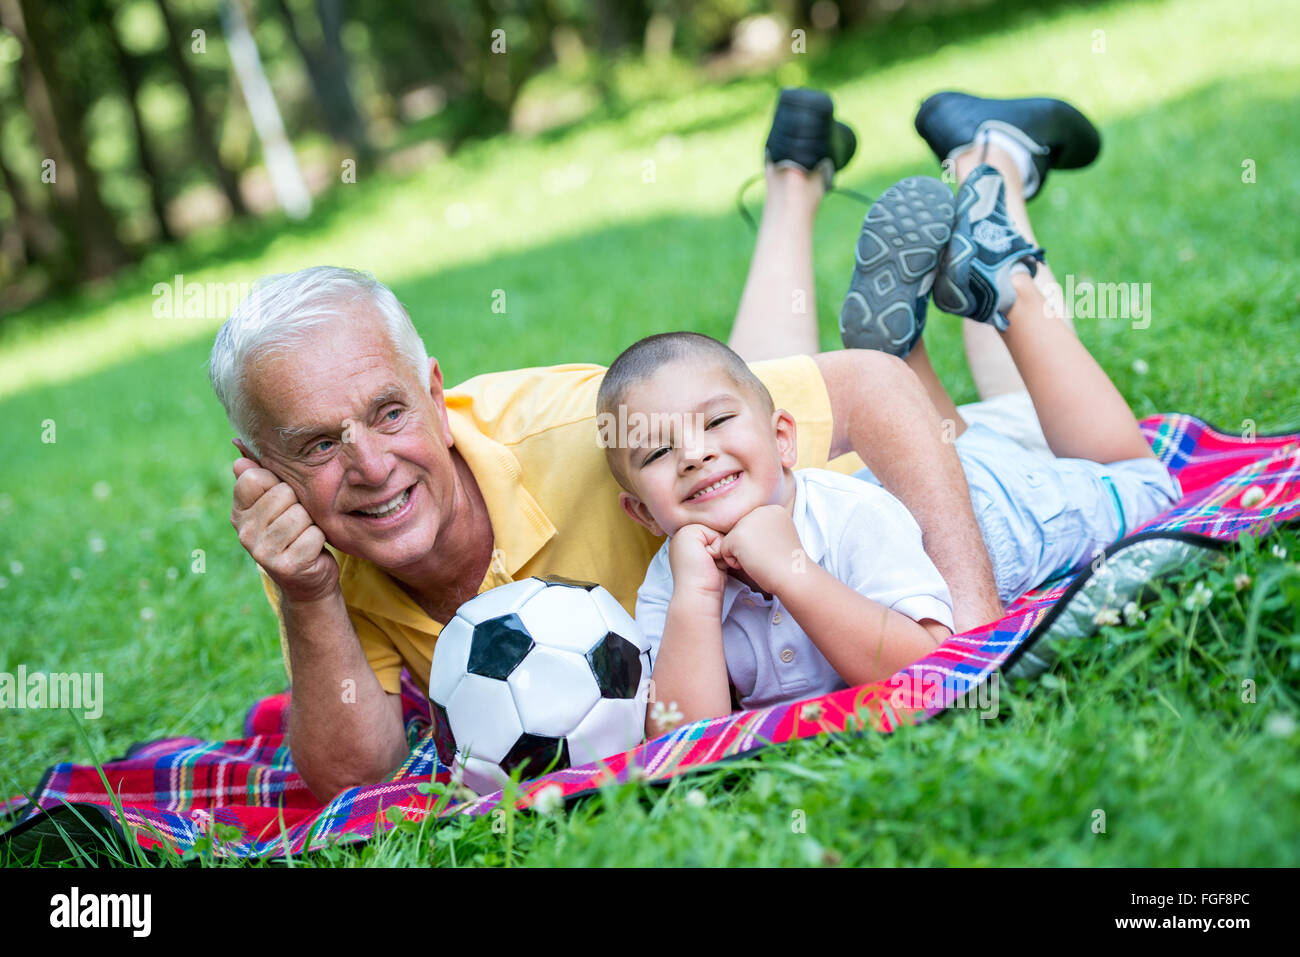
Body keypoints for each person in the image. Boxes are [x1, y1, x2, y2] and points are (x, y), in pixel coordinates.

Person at [210, 281, 999, 800]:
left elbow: (870, 384)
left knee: (1019, 433)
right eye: (318, 445)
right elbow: (360, 781)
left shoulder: (592, 428)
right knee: (737, 374)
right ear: (262, 471)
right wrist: (309, 594)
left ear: (436, 394)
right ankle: (793, 170)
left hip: (878, 509)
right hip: (740, 610)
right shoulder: (305, 538)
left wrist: (975, 640)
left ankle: (953, 238)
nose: (372, 468)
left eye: (391, 413)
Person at [607, 156, 1178, 737]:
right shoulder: (672, 584)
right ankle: (903, 355)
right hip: (932, 466)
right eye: (655, 452)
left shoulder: (848, 519)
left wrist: (793, 572)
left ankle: (1012, 289)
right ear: (640, 512)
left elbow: (926, 672)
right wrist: (698, 597)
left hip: (1003, 519)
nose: (695, 455)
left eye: (718, 421)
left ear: (783, 439)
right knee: (979, 440)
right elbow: (682, 742)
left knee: (1146, 485)